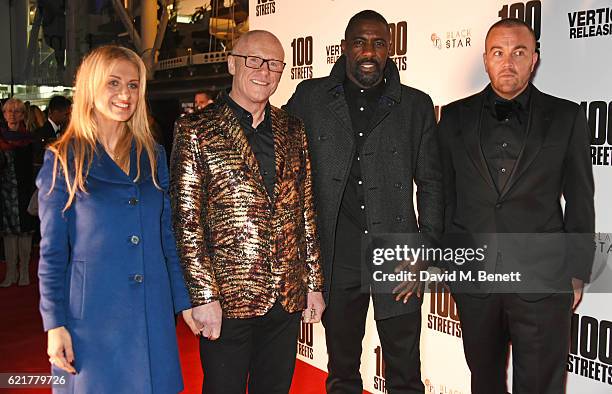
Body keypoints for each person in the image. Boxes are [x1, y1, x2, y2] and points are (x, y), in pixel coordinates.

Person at [285, 10, 443, 394]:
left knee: (405, 371)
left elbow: (433, 182)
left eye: (378, 42)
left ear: (390, 49)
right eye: (360, 42)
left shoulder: (416, 105)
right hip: (337, 255)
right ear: (344, 48)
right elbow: (281, 161)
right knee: (341, 372)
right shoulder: (310, 98)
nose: (368, 51)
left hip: (397, 258)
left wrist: (423, 251)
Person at [437, 18, 595, 394]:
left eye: (518, 52)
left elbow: (580, 197)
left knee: (541, 385)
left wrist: (576, 271)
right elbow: (443, 194)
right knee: (484, 382)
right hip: (475, 280)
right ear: (486, 60)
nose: (508, 62)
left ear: (534, 60)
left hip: (544, 280)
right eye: (498, 53)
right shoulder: (453, 118)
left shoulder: (566, 117)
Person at [170, 30, 324, 394]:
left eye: (274, 64)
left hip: (285, 296)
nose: (264, 71)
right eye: (254, 60)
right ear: (232, 63)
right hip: (226, 301)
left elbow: (305, 212)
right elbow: (186, 221)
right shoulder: (196, 129)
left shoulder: (293, 129)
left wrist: (314, 285)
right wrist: (203, 295)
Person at [37, 45, 198, 393]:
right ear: (92, 87)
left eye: (133, 84)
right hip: (92, 318)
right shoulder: (63, 159)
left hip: (151, 313)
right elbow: (52, 254)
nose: (125, 94)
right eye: (113, 83)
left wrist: (185, 302)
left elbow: (166, 236)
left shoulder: (152, 155)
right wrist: (55, 325)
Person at [0, 98, 37, 287]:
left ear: (23, 115)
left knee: (25, 232)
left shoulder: (30, 139)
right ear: (4, 114)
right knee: (8, 233)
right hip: (5, 192)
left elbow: (36, 167)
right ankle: (10, 273)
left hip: (25, 190)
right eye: (8, 111)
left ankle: (23, 271)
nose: (12, 115)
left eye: (16, 111)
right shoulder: (1, 139)